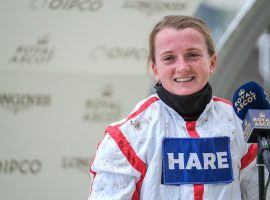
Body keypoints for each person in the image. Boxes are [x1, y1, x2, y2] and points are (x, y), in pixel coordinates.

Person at [88, 15, 258, 200]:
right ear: (155, 70)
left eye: (192, 55)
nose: (183, 67)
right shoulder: (127, 137)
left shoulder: (240, 125)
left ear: (212, 62)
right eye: (169, 58)